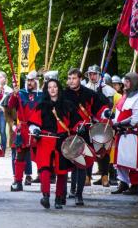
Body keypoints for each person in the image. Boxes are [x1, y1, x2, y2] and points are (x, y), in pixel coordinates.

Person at [29, 78, 82, 209]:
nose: (52, 89)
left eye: (55, 86)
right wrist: (35, 130)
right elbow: (33, 123)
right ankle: (45, 196)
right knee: (44, 169)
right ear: (47, 90)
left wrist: (80, 127)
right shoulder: (41, 105)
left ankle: (59, 198)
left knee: (62, 171)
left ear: (58, 88)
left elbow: (77, 121)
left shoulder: (67, 105)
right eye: (49, 87)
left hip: (62, 141)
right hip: (45, 140)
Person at [64, 68, 112, 204]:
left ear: (80, 79)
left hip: (85, 132)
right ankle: (68, 191)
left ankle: (78, 194)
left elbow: (100, 108)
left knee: (81, 164)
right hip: (68, 132)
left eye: (73, 78)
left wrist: (106, 113)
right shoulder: (64, 94)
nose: (71, 81)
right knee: (68, 164)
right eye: (69, 78)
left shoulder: (90, 94)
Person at [111, 73, 138, 195]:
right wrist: (112, 118)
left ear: (133, 83)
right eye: (125, 81)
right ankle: (123, 183)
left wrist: (120, 124)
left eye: (128, 82)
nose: (125, 84)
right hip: (122, 134)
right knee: (121, 161)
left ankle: (135, 185)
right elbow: (119, 113)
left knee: (133, 162)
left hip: (134, 134)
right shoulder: (125, 96)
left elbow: (136, 119)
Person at [8, 71, 42, 191]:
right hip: (23, 128)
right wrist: (14, 95)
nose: (29, 82)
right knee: (20, 155)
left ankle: (44, 180)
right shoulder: (20, 93)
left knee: (41, 156)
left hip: (37, 128)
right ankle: (18, 181)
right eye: (28, 80)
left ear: (36, 81)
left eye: (32, 80)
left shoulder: (42, 95)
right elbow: (11, 105)